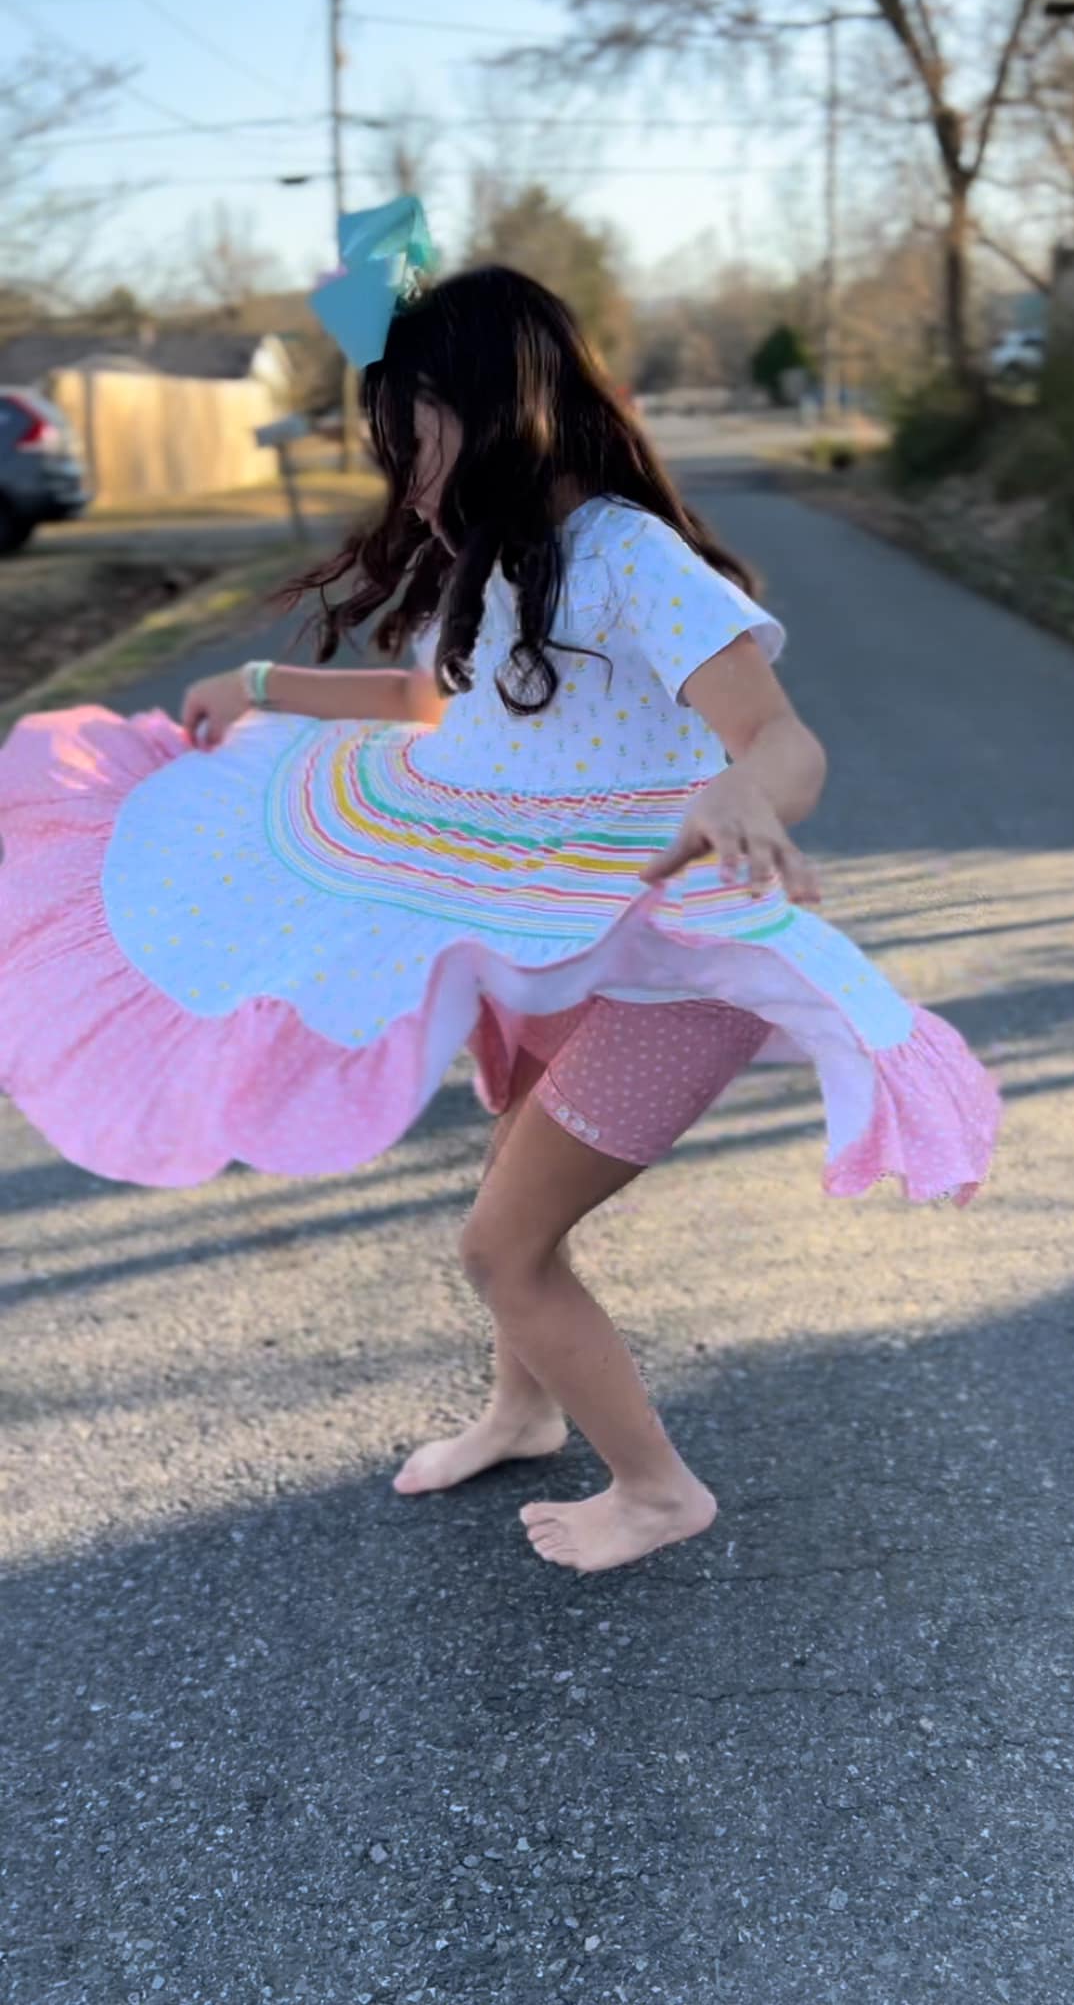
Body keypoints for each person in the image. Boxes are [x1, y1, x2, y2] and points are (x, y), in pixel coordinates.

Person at [0, 204, 1001, 1573]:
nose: (394, 465)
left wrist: (735, 794)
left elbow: (783, 735)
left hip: (661, 960)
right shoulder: (495, 558)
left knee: (502, 1244)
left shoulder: (632, 555)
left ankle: (657, 1490)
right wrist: (258, 687)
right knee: (505, 1181)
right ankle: (520, 1411)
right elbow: (438, 697)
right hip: (541, 922)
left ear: (492, 408)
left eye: (409, 430)